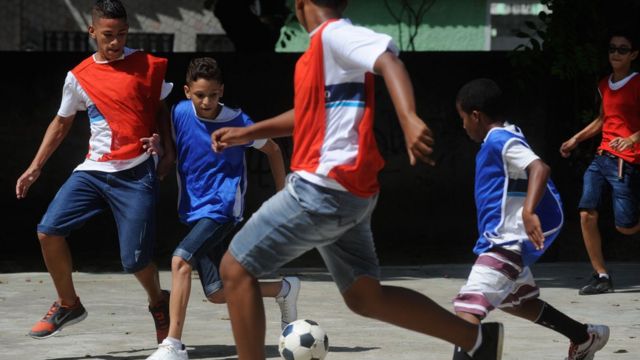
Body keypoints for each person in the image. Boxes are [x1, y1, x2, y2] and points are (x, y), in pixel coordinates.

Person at [210, 1, 504, 359]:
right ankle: (476, 341)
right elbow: (306, 115)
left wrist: (409, 117)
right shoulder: (323, 54)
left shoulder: (334, 35)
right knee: (366, 297)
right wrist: (247, 133)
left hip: (321, 191)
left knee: (234, 268)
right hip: (350, 198)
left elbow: (388, 60)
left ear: (301, 4)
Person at [15, 0, 174, 343]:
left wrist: (167, 148)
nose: (115, 42)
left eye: (121, 34)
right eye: (107, 35)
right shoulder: (79, 77)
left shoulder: (148, 65)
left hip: (135, 173)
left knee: (134, 261)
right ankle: (68, 303)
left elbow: (160, 108)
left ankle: (159, 302)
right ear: (92, 32)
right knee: (48, 231)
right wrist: (35, 167)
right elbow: (60, 123)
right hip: (94, 171)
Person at [143, 57, 300, 360]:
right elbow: (175, 150)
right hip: (193, 210)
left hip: (223, 207)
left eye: (213, 95)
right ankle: (283, 289)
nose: (207, 101)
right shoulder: (179, 113)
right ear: (188, 91)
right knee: (216, 292)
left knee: (180, 260)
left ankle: (173, 345)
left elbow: (273, 150)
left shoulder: (238, 121)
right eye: (200, 94)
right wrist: (159, 152)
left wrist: (282, 195)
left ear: (222, 91)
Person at [452, 78, 610, 360]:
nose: (462, 125)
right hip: (509, 241)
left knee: (466, 312)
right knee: (515, 302)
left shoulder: (500, 139)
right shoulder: (507, 133)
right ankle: (584, 337)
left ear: (476, 115)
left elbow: (539, 168)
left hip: (504, 243)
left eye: (462, 118)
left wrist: (528, 211)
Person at [559, 31, 640, 295]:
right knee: (586, 213)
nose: (616, 53)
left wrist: (631, 139)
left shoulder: (638, 83)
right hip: (602, 157)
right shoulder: (604, 84)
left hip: (625, 160)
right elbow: (603, 119)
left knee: (625, 227)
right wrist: (575, 139)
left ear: (634, 54)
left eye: (623, 49)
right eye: (612, 49)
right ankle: (601, 275)